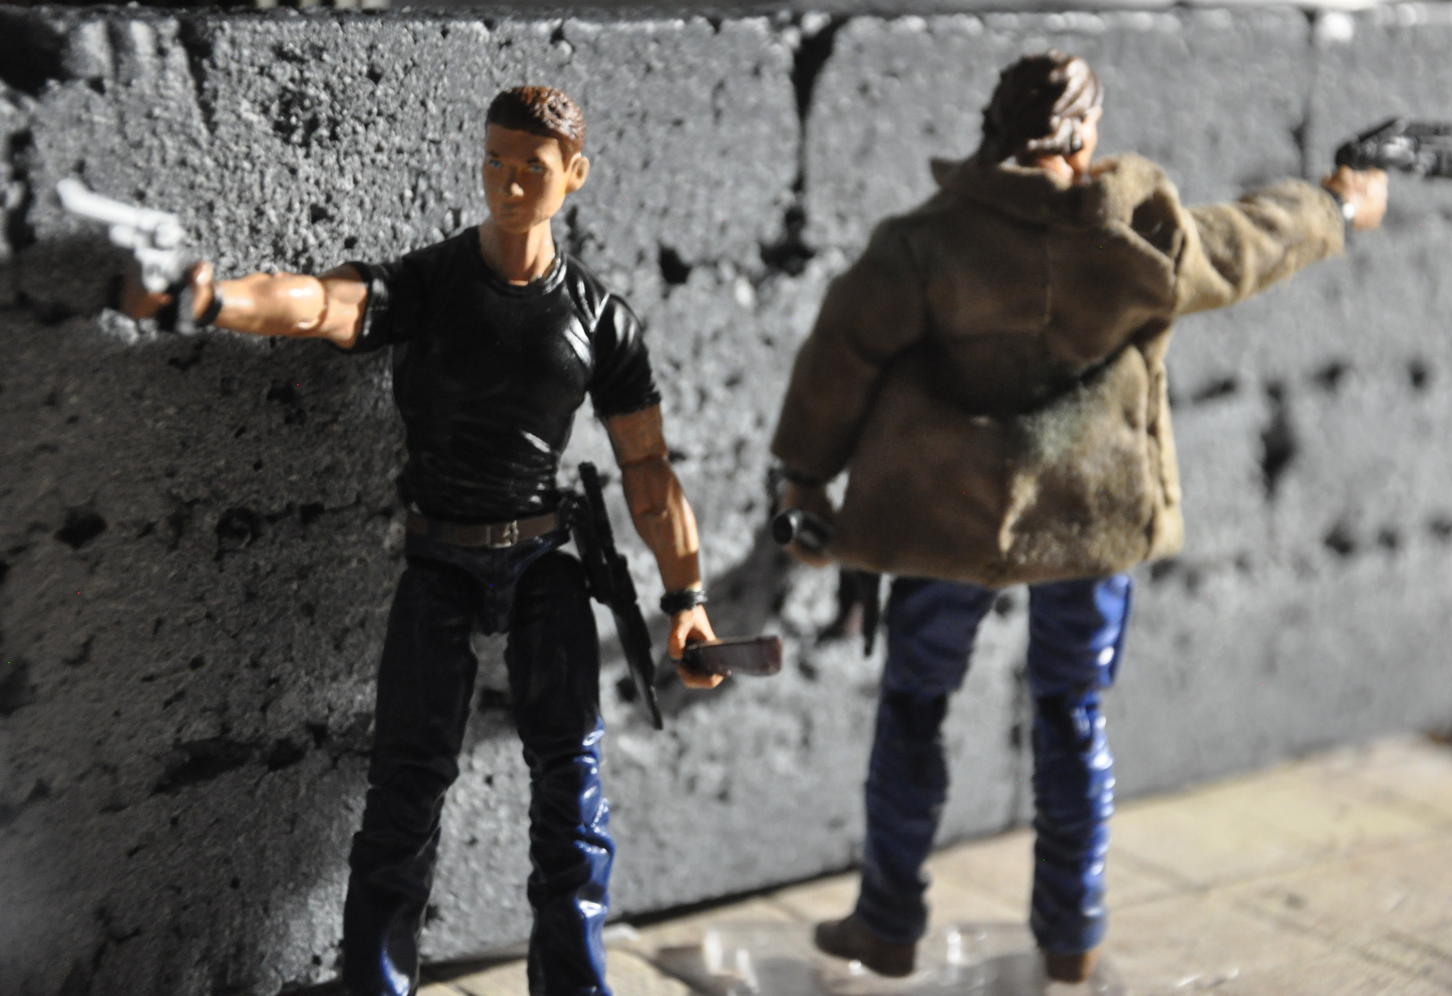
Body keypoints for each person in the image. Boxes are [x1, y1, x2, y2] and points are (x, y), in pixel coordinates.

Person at [771, 51, 1385, 983]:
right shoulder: (1139, 236)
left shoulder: (924, 242)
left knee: (914, 708)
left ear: (996, 124)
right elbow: (1248, 241)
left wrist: (806, 483)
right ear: (1084, 132)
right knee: (1071, 714)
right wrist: (1337, 204)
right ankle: (1072, 931)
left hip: (946, 520)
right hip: (1091, 517)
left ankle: (889, 921)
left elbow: (839, 359)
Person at [124, 85, 721, 996]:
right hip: (440, 557)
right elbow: (317, 304)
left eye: (531, 168)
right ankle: (375, 983)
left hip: (544, 560)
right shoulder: (430, 284)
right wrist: (210, 300)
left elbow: (648, 470)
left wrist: (688, 600)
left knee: (574, 793)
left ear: (574, 175)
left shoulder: (600, 318)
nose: (507, 184)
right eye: (493, 161)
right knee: (404, 788)